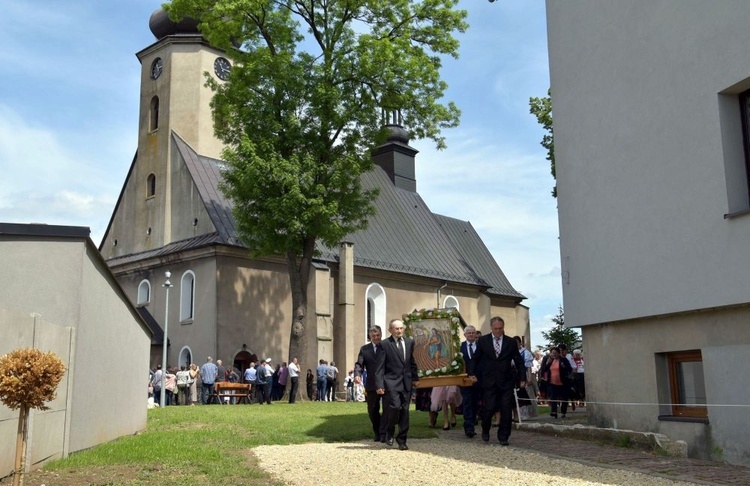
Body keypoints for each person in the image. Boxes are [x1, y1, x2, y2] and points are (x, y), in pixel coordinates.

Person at [467, 316, 525, 446]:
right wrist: (471, 373)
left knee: (506, 409)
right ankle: (485, 429)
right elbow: (475, 359)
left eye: (500, 329)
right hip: (489, 381)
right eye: (496, 329)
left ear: (503, 328)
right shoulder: (483, 341)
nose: (498, 331)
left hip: (506, 381)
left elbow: (518, 361)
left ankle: (503, 436)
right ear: (491, 328)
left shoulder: (510, 342)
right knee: (489, 408)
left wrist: (522, 378)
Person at [374, 319, 419, 451]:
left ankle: (402, 440)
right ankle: (389, 429)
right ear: (390, 330)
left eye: (401, 328)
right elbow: (379, 367)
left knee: (405, 410)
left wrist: (415, 378)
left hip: (406, 382)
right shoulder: (385, 344)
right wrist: (379, 385)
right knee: (394, 407)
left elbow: (412, 362)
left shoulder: (410, 342)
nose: (399, 331)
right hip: (391, 382)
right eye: (396, 329)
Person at [355, 326, 387, 442]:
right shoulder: (365, 349)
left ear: (381, 335)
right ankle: (377, 432)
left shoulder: (386, 347)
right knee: (372, 410)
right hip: (372, 384)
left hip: (386, 383)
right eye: (373, 336)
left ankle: (384, 433)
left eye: (378, 335)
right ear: (370, 337)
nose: (376, 337)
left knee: (388, 409)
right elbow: (359, 364)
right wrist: (357, 374)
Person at [459, 325, 482, 438]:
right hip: (465, 380)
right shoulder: (460, 347)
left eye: (473, 333)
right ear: (465, 335)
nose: (472, 335)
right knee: (467, 402)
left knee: (475, 403)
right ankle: (469, 427)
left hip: (478, 380)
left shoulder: (481, 346)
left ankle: (472, 422)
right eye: (469, 333)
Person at [540, 346, 573, 418]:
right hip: (552, 382)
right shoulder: (550, 360)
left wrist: (563, 366)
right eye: (552, 353)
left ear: (558, 353)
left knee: (564, 398)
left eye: (555, 353)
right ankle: (554, 411)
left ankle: (563, 412)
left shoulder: (563, 360)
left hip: (563, 383)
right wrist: (547, 364)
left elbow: (569, 369)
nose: (554, 355)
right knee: (553, 397)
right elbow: (544, 370)